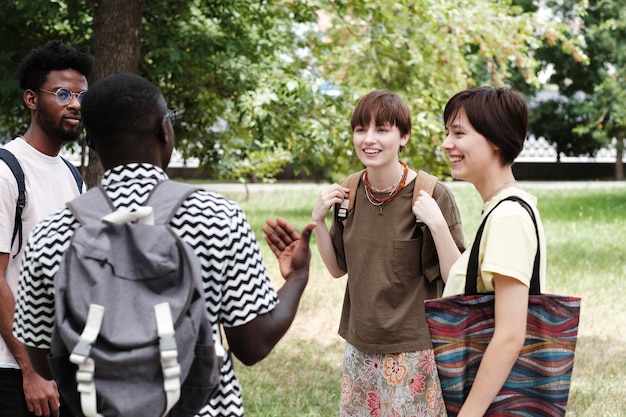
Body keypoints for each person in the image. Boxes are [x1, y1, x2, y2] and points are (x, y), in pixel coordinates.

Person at [12, 72, 315, 417]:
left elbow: (43, 357)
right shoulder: (218, 217)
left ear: (91, 144)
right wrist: (298, 277)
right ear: (163, 130)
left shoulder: (52, 232)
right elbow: (253, 344)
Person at [309, 90, 465, 416]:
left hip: (414, 349)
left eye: (382, 129)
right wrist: (318, 223)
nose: (369, 139)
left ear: (404, 136)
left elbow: (456, 279)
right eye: (360, 129)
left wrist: (436, 225)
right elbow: (338, 269)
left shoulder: (433, 193)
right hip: (359, 347)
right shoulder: (348, 192)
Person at [412, 86, 547, 417]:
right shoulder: (500, 208)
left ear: (496, 139)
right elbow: (465, 284)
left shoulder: (509, 217)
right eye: (447, 133)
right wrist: (439, 227)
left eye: (458, 133)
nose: (446, 144)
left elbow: (510, 335)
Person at [0, 40, 93, 417]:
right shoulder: (7, 171)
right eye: (63, 93)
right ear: (31, 99)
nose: (75, 104)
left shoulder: (73, 176)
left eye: (82, 96)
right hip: (13, 369)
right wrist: (30, 370)